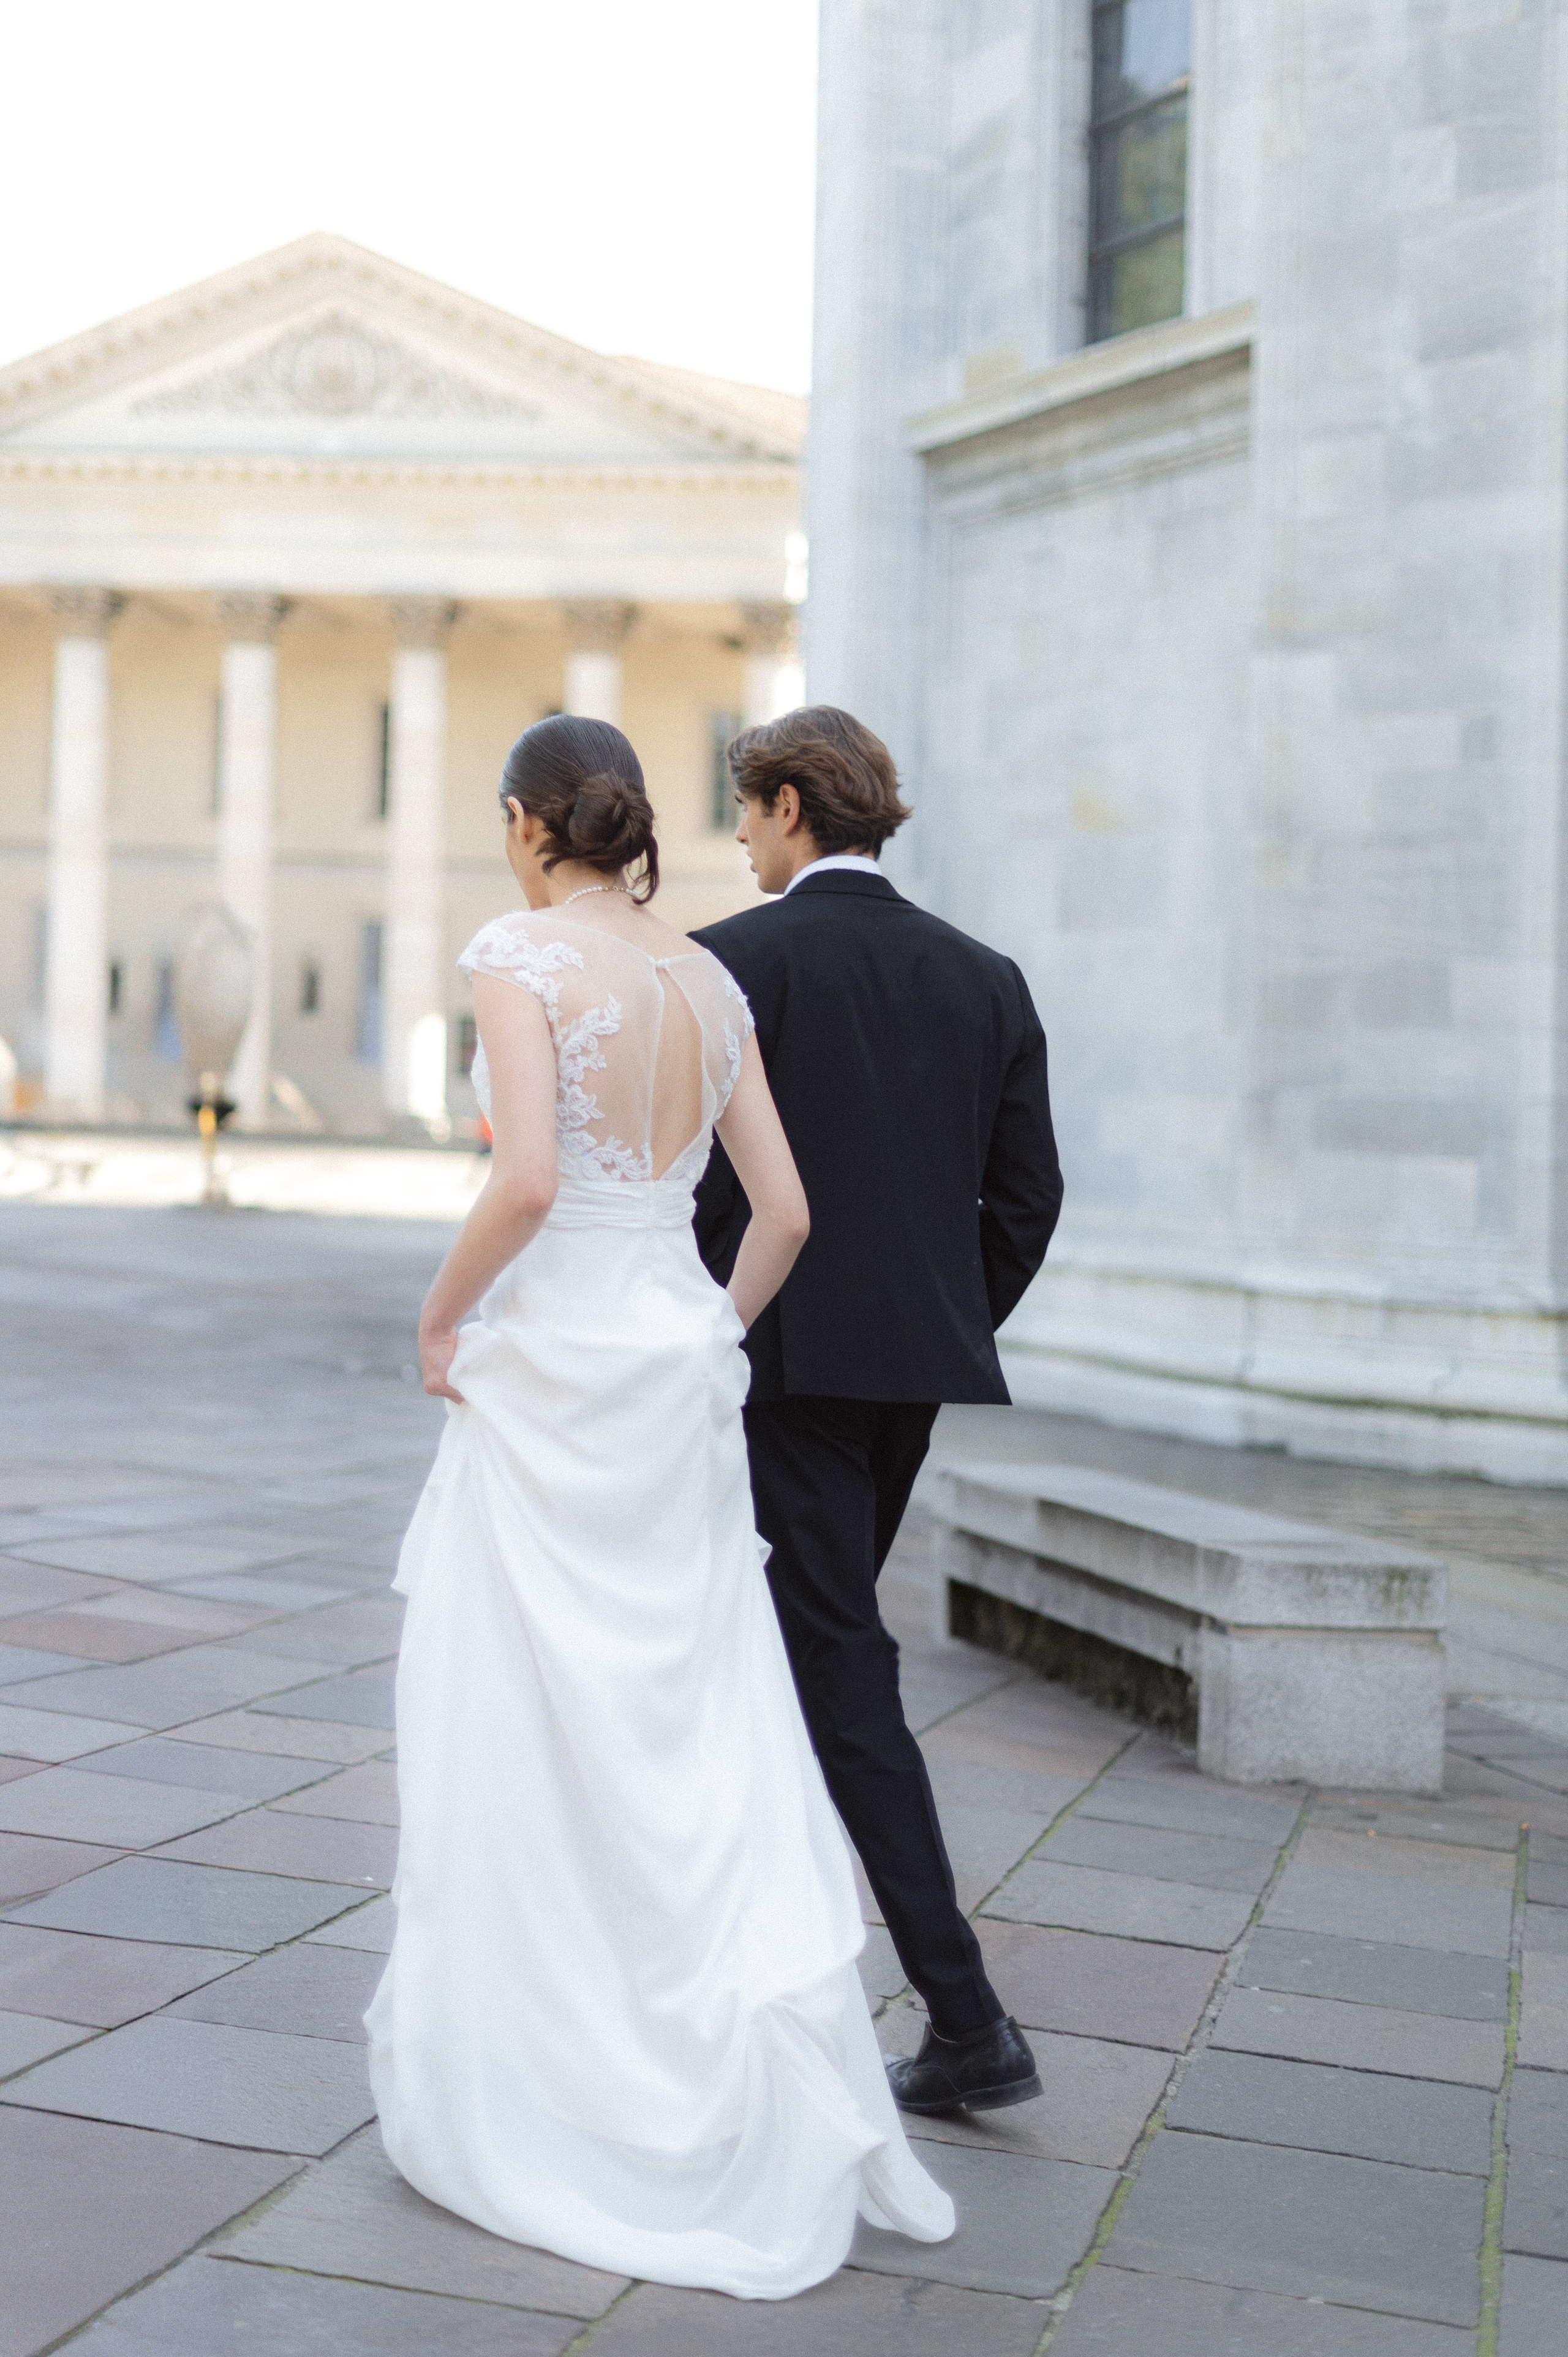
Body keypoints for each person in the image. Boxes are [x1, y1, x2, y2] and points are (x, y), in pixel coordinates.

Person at [366, 714, 953, 2301]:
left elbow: (530, 1180)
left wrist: (440, 1323)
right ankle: (711, 2046)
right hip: (675, 1365)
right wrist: (712, 1325)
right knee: (691, 1718)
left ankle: (552, 2058)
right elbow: (786, 1210)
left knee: (529, 1711)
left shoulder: (520, 952)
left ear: (522, 823)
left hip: (555, 1360)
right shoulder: (709, 976)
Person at [693, 706, 1064, 2117]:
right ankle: (763, 1962)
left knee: (833, 1669)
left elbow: (693, 1188)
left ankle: (967, 2018)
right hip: (906, 1376)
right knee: (801, 1654)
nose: (735, 835)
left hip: (764, 1372)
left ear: (790, 805)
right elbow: (1024, 1201)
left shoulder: (731, 963)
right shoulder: (985, 977)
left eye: (744, 808)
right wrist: (932, 1320)